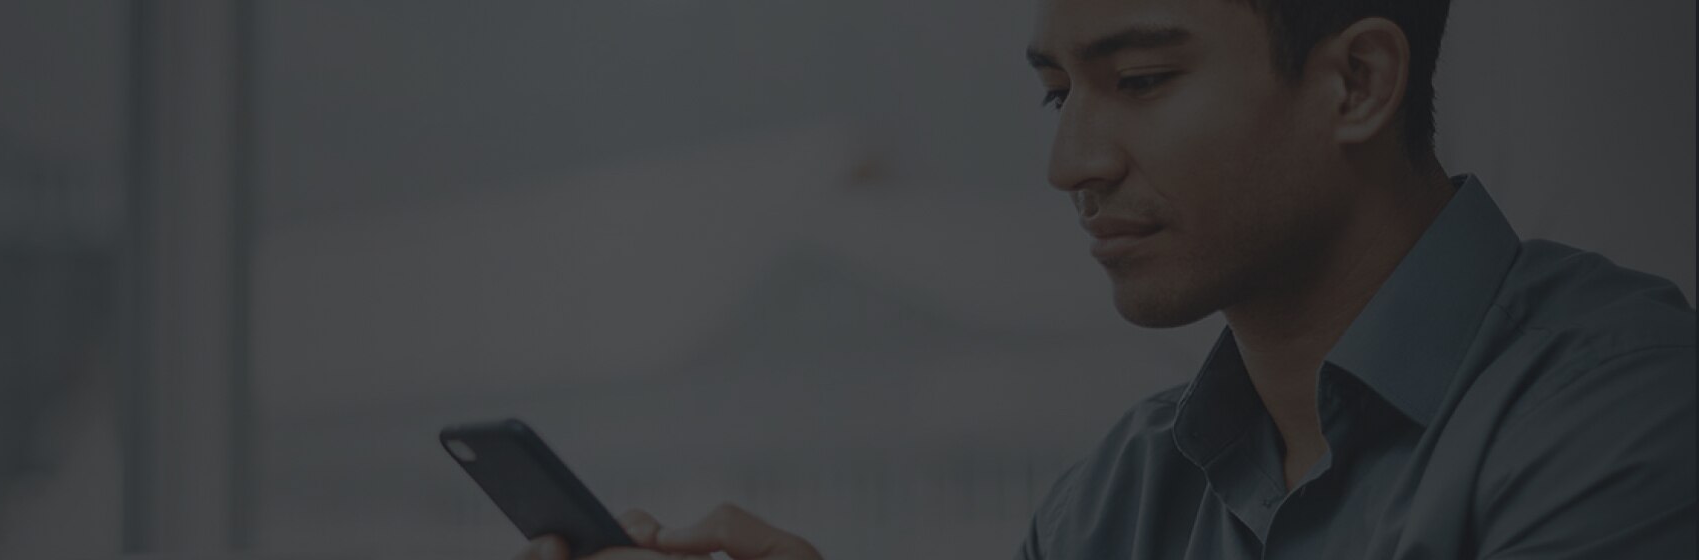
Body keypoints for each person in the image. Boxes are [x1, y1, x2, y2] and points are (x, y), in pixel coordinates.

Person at [514, 0, 1697, 557]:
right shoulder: (1116, 499)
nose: (1070, 161)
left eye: (1137, 81)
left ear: (1357, 84)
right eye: (1056, 94)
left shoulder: (1625, 413)